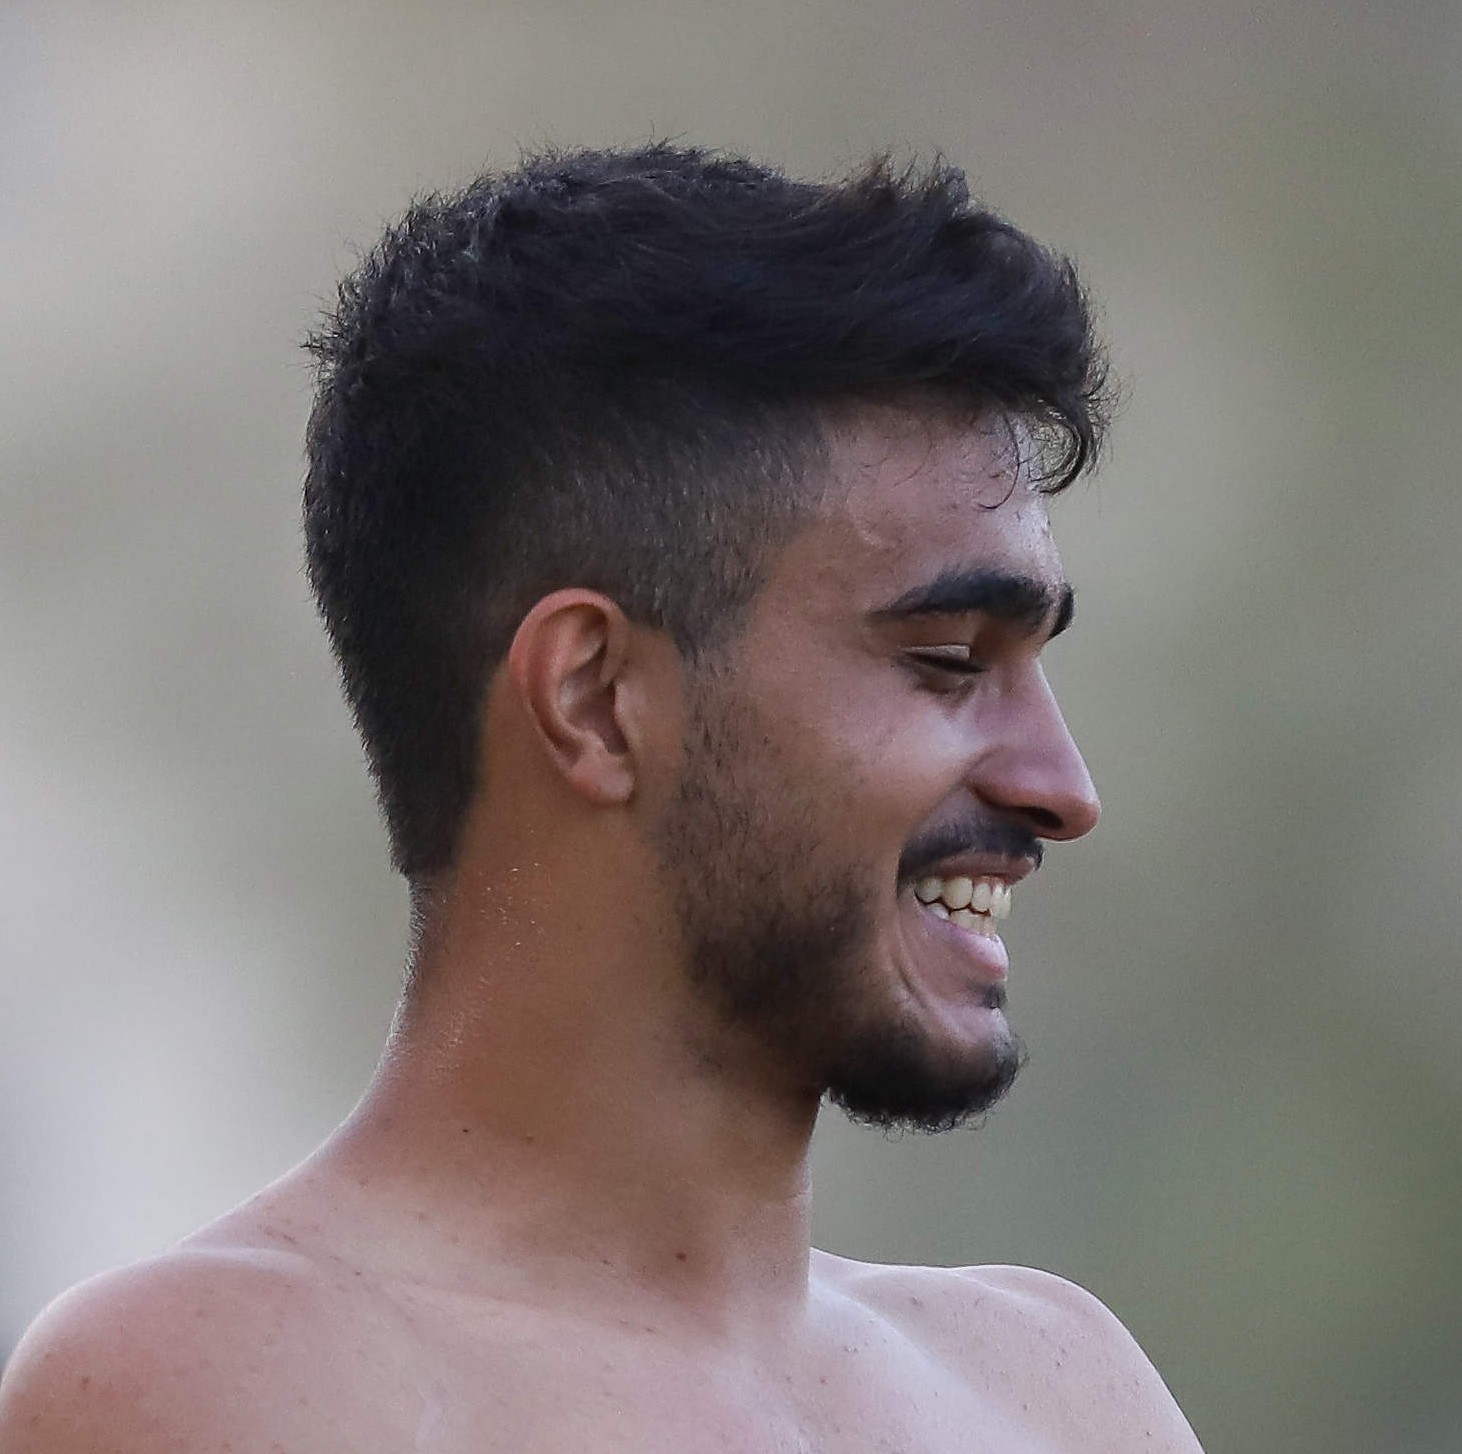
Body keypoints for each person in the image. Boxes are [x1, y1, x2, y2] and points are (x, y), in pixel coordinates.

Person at [0, 145, 1202, 1453]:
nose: (1061, 789)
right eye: (947, 661)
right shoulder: (237, 1383)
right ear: (593, 698)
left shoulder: (1053, 1387)